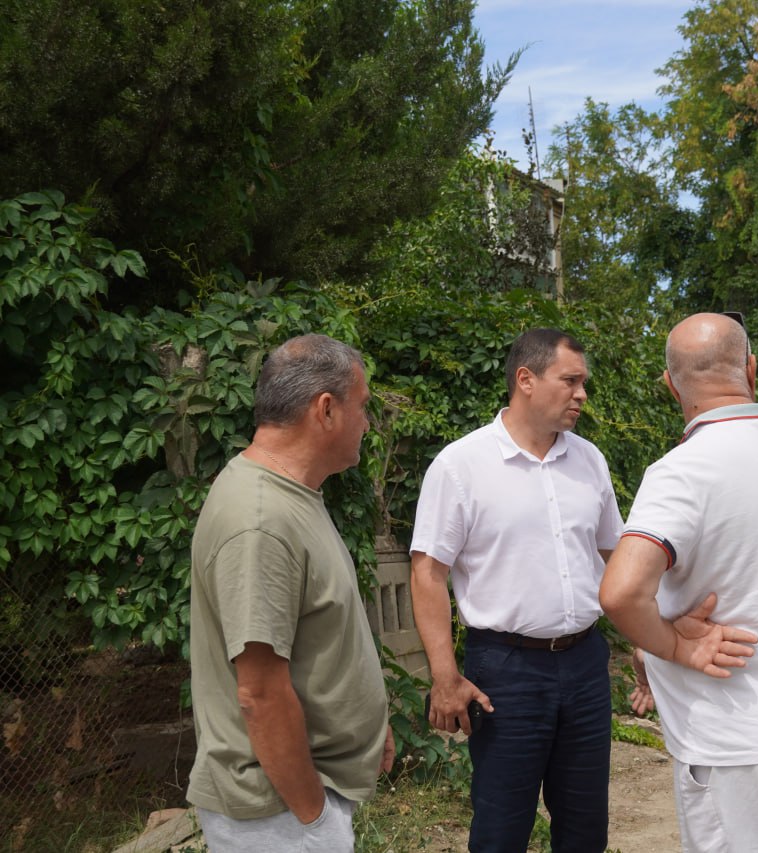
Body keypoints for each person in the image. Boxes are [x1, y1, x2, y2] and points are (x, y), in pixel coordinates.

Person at [599, 312, 758, 852]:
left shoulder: (685, 470)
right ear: (752, 370)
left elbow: (621, 592)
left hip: (736, 743)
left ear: (669, 383)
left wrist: (672, 644)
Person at [409, 328, 624, 852]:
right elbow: (427, 572)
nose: (582, 394)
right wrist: (444, 677)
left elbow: (614, 557)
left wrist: (645, 636)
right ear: (525, 379)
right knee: (502, 826)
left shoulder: (589, 461)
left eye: (584, 383)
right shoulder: (462, 466)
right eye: (570, 381)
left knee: (585, 826)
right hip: (506, 671)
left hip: (586, 664)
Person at [187, 334, 394, 852]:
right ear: (325, 410)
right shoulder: (260, 521)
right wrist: (314, 818)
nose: (367, 424)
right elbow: (260, 694)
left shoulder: (290, 495)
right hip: (279, 817)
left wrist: (368, 732)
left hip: (295, 805)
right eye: (363, 407)